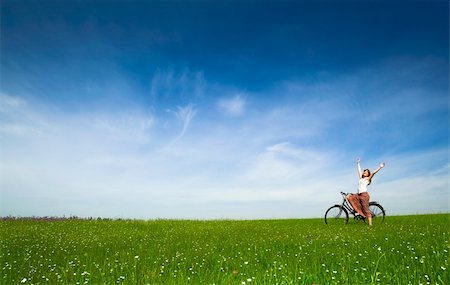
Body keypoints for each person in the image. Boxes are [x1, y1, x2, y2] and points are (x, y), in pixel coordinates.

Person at [347, 158, 385, 226]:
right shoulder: (361, 179)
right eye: (364, 171)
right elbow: (359, 171)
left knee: (366, 210)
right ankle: (359, 212)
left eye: (366, 172)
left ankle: (370, 225)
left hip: (364, 196)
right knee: (349, 197)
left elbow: (373, 173)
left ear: (368, 174)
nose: (364, 172)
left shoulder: (368, 179)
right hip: (358, 195)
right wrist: (358, 163)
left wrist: (380, 167)